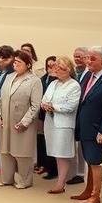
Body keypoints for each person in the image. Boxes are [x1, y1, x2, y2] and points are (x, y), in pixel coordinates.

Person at [70, 46, 102, 203]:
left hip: (97, 130)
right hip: (84, 127)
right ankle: (88, 190)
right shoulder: (87, 76)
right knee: (88, 160)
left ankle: (95, 196)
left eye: (93, 59)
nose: (88, 61)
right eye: (88, 58)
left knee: (95, 161)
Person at [0, 50, 43, 189]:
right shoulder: (9, 77)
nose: (15, 64)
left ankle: (24, 181)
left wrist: (25, 122)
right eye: (14, 62)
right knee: (5, 151)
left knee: (22, 152)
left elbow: (35, 105)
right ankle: (6, 179)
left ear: (28, 65)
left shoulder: (34, 81)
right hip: (5, 121)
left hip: (22, 123)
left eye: (19, 62)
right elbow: (1, 98)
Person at [41, 57, 82, 194]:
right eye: (56, 68)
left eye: (60, 68)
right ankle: (62, 179)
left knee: (62, 153)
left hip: (64, 124)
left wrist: (53, 107)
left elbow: (71, 106)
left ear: (68, 70)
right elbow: (44, 99)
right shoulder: (53, 83)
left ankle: (61, 183)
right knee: (55, 152)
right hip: (50, 121)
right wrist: (45, 105)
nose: (57, 70)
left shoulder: (74, 85)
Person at [65, 46, 91, 185]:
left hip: (83, 113)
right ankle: (72, 171)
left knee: (81, 146)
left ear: (86, 57)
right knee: (72, 144)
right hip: (71, 113)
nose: (77, 59)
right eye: (75, 56)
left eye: (80, 56)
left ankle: (80, 173)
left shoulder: (89, 73)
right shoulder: (73, 72)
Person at [36, 55, 58, 179]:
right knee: (42, 141)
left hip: (54, 115)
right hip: (42, 114)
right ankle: (43, 165)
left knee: (52, 143)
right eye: (48, 66)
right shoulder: (43, 78)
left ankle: (53, 170)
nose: (50, 68)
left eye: (53, 65)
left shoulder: (57, 80)